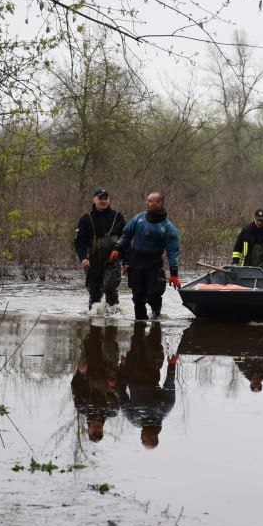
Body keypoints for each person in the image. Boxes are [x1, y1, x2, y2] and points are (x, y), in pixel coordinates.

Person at [116, 191, 180, 321]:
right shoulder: (139, 218)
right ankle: (140, 324)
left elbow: (172, 251)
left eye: (150, 201)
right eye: (147, 200)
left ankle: (156, 314)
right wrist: (117, 249)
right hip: (136, 263)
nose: (146, 203)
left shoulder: (168, 227)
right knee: (137, 297)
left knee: (153, 295)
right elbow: (126, 235)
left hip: (153, 264)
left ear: (159, 204)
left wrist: (174, 274)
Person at [119, 321, 177, 449]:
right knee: (153, 340)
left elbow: (121, 396)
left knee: (138, 336)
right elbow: (169, 386)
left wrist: (123, 369)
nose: (141, 437)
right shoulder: (163, 409)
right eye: (144, 440)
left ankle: (140, 315)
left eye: (142, 439)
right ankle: (156, 316)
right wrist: (172, 366)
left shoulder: (134, 420)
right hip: (151, 370)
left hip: (133, 369)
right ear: (153, 437)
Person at [73, 188, 126, 313]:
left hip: (113, 259)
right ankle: (93, 319)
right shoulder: (85, 219)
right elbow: (79, 241)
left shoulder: (117, 217)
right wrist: (83, 258)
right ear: (94, 200)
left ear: (109, 200)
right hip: (93, 260)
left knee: (109, 287)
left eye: (105, 198)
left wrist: (126, 261)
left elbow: (125, 239)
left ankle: (113, 317)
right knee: (94, 292)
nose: (103, 201)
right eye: (100, 198)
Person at [71, 324, 123, 442]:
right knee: (110, 338)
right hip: (110, 368)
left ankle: (96, 309)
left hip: (91, 366)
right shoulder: (113, 410)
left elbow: (75, 385)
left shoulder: (81, 407)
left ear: (88, 429)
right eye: (99, 433)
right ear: (102, 431)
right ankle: (112, 315)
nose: (97, 430)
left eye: (94, 432)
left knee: (94, 332)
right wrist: (114, 384)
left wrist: (80, 372)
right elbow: (122, 391)